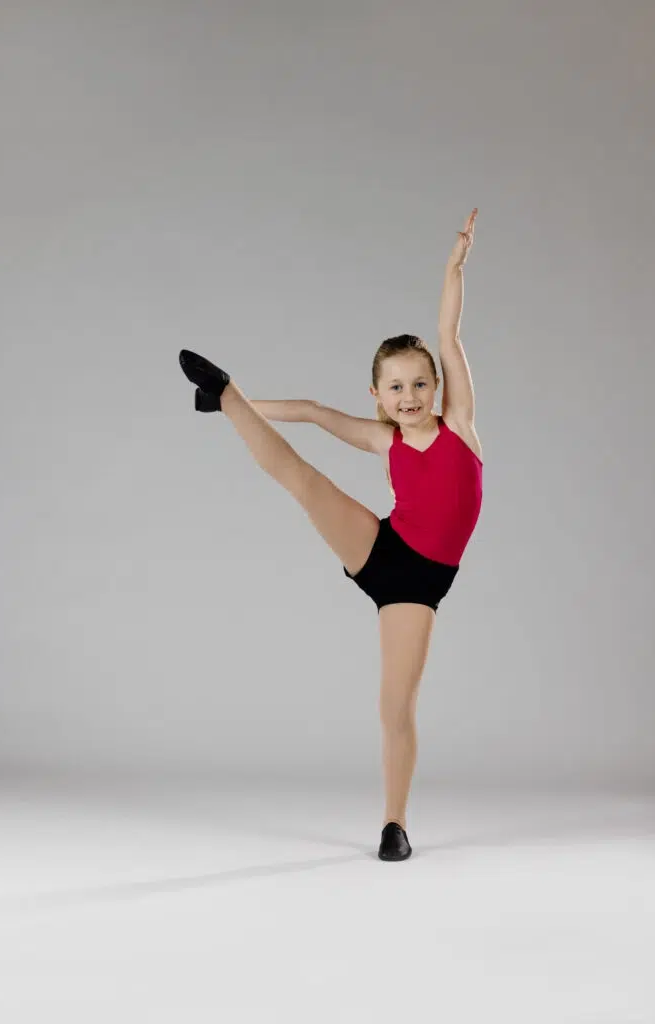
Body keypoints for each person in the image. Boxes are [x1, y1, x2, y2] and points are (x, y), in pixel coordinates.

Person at [178, 209, 483, 862]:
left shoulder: (457, 424)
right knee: (305, 482)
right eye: (396, 386)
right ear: (377, 393)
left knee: (394, 705)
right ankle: (226, 396)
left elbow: (446, 332)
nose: (409, 395)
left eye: (419, 383)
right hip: (383, 548)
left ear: (437, 386)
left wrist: (452, 268)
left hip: (419, 583)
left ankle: (394, 825)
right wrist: (245, 402)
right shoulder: (382, 437)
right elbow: (314, 415)